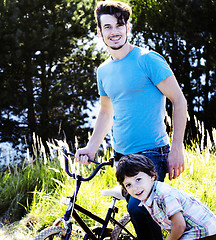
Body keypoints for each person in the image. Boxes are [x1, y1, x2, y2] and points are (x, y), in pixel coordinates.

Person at [75, 1, 187, 239]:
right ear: (99, 31)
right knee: (142, 215)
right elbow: (106, 111)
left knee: (139, 208)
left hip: (152, 153)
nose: (114, 31)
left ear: (128, 27)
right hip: (121, 157)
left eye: (119, 24)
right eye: (107, 26)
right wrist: (92, 147)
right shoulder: (103, 70)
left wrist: (177, 147)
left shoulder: (148, 59)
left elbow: (179, 101)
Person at [116, 154, 216, 240]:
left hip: (205, 232)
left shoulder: (163, 194)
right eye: (128, 185)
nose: (135, 188)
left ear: (152, 176)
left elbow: (180, 225)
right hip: (193, 232)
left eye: (138, 179)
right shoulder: (148, 196)